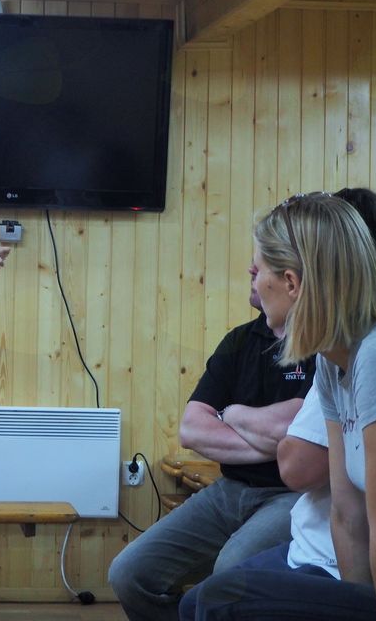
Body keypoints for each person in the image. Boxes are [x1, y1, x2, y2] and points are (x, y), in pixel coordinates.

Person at [189, 193, 376, 621]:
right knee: (194, 602)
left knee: (223, 599)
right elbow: (347, 517)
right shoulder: (333, 360)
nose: (256, 283)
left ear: (291, 283)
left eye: (261, 270)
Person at [108, 264, 315, 620]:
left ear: (291, 280)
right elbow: (192, 430)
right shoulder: (240, 341)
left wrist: (231, 414)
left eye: (263, 262)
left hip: (293, 495)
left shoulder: (323, 345)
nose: (251, 268)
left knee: (229, 574)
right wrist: (278, 441)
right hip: (229, 489)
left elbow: (299, 432)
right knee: (128, 574)